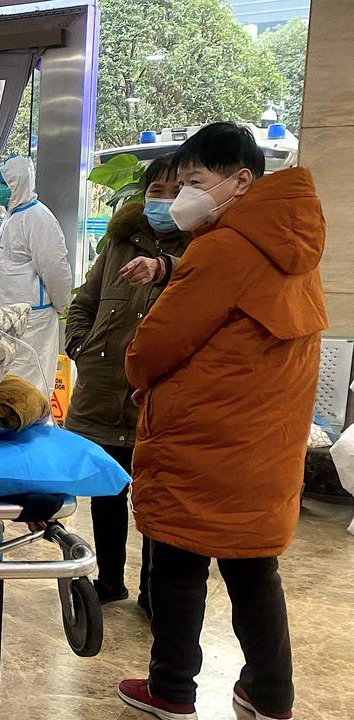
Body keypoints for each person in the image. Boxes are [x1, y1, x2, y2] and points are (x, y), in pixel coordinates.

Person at [117, 122, 326, 720]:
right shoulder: (290, 244)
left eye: (195, 182)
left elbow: (156, 344)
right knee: (255, 569)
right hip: (265, 440)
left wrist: (140, 377)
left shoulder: (225, 248)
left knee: (179, 563)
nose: (183, 196)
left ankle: (172, 689)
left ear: (240, 181)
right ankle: (269, 694)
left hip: (205, 439)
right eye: (180, 183)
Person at [63, 154, 193, 614]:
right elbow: (85, 302)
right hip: (102, 388)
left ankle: (153, 591)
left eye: (176, 191)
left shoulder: (201, 248)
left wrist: (165, 267)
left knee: (155, 499)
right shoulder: (119, 243)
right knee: (108, 493)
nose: (164, 200)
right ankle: (110, 580)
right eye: (156, 191)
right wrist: (80, 344)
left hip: (156, 397)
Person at [0, 155, 73, 396]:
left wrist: (62, 304)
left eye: (2, 182)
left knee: (31, 384)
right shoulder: (13, 217)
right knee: (10, 382)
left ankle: (32, 429)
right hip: (9, 317)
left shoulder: (38, 218)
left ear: (18, 183)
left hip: (33, 322)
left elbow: (55, 268)